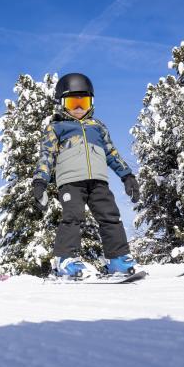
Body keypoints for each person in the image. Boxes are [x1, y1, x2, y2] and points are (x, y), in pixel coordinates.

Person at [32, 73, 140, 278]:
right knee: (72, 217)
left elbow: (111, 153)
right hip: (70, 182)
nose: (79, 108)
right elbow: (46, 155)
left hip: (99, 181)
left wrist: (127, 176)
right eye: (73, 103)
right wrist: (40, 181)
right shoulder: (56, 127)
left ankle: (118, 260)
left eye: (84, 102)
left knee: (110, 217)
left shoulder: (97, 127)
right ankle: (65, 261)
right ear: (62, 103)